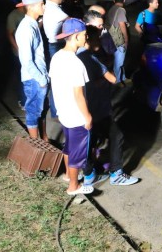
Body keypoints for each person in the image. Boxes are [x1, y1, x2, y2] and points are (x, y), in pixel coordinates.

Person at [80, 10, 139, 186]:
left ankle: (89, 173)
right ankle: (115, 173)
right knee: (115, 135)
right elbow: (112, 78)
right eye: (98, 28)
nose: (101, 31)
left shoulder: (83, 55)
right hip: (93, 108)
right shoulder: (87, 57)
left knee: (90, 141)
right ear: (87, 33)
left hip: (96, 105)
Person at [49, 18, 94, 195]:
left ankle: (69, 175)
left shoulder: (57, 57)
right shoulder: (76, 64)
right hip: (76, 116)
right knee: (77, 153)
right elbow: (79, 95)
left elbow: (55, 86)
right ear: (75, 36)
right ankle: (73, 186)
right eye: (83, 35)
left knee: (68, 146)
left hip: (64, 112)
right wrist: (87, 117)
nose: (86, 38)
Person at [15, 0, 49, 139]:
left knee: (38, 110)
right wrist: (41, 79)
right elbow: (26, 60)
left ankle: (42, 140)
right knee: (33, 112)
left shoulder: (32, 24)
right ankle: (35, 145)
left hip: (38, 76)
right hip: (34, 78)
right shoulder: (26, 29)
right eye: (42, 4)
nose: (44, 6)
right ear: (32, 6)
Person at [7, 0, 27, 110]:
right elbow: (9, 34)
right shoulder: (13, 16)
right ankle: (22, 100)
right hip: (18, 53)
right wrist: (17, 49)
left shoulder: (27, 14)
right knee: (21, 77)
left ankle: (27, 99)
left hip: (27, 52)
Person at [105, 0, 129, 82]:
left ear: (114, 0)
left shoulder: (111, 9)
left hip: (111, 38)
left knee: (116, 60)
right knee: (119, 61)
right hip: (118, 39)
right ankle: (118, 80)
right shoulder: (121, 10)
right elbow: (122, 24)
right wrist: (126, 39)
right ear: (124, 0)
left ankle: (121, 77)